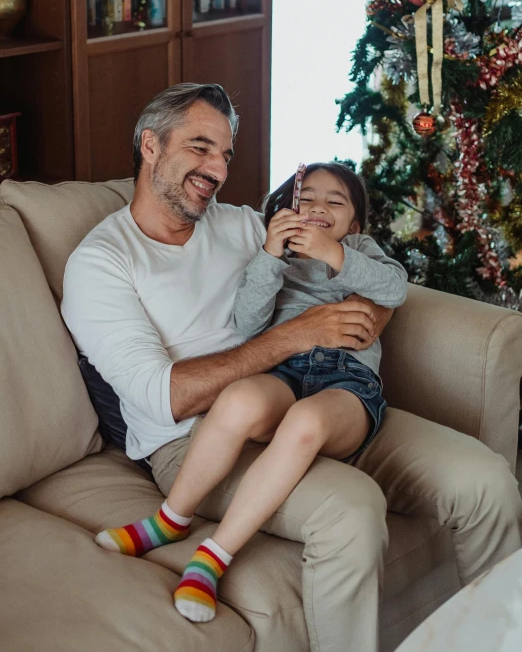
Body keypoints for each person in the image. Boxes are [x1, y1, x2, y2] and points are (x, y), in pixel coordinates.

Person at [62, 83, 522, 652]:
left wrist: (369, 315)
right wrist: (296, 336)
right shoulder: (101, 264)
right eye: (201, 147)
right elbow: (165, 399)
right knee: (351, 514)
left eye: (226, 154)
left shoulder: (240, 224)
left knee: (488, 483)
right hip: (202, 438)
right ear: (150, 145)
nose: (217, 169)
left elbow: (340, 260)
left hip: (326, 392)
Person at [94, 160, 408, 622]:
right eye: (307, 199)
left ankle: (214, 555)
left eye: (335, 202)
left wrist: (333, 253)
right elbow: (249, 322)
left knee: (305, 423)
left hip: (346, 381)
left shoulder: (360, 249)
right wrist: (269, 255)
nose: (319, 207)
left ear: (354, 223)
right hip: (284, 371)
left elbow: (395, 288)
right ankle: (170, 520)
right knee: (237, 400)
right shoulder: (276, 258)